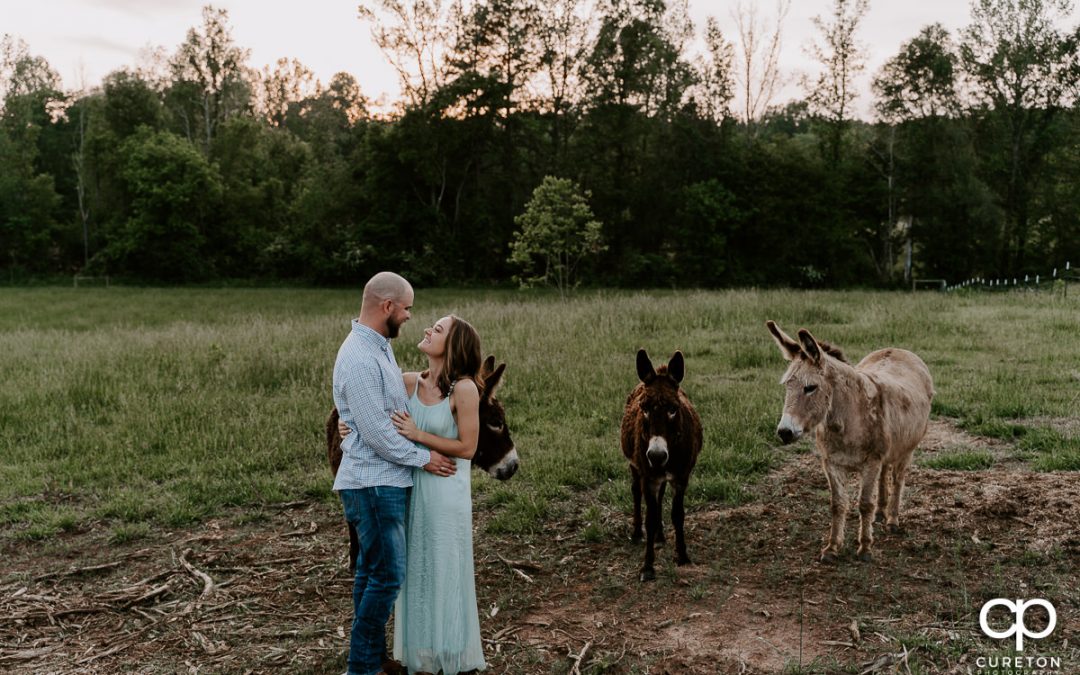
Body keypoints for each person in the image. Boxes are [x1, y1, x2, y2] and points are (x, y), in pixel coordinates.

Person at [341, 313, 488, 674]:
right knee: (415, 571)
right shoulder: (408, 382)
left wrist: (418, 435)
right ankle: (420, 656)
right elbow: (367, 406)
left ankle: (450, 652)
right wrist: (349, 424)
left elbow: (468, 447)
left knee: (442, 567)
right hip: (414, 487)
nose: (426, 329)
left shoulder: (465, 389)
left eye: (437, 329)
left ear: (452, 345)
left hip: (445, 490)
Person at [333, 271, 458, 675]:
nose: (408, 316)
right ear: (387, 306)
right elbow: (377, 434)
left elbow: (379, 412)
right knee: (388, 576)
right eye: (406, 309)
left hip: (381, 480)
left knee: (371, 571)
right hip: (373, 482)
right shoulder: (359, 355)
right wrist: (425, 458)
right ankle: (361, 666)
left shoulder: (378, 348)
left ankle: (369, 661)